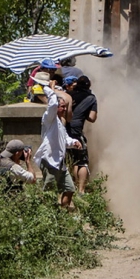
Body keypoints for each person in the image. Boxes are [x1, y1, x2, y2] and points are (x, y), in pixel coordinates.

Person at [32, 75, 82, 208]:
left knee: (69, 188)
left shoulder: (59, 123)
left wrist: (74, 142)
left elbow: (64, 139)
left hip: (59, 162)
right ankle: (46, 217)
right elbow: (53, 103)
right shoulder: (49, 118)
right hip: (49, 161)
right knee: (49, 193)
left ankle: (60, 214)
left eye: (65, 107)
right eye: (62, 107)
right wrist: (51, 89)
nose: (64, 109)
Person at [67, 75, 98, 194]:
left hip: (65, 130)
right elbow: (92, 118)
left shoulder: (68, 95)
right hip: (77, 131)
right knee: (82, 162)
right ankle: (81, 190)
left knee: (74, 160)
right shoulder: (91, 98)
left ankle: (74, 186)